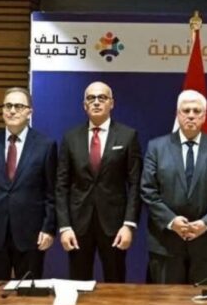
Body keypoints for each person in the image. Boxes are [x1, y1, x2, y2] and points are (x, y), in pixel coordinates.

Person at [141, 90, 207, 284]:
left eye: (196, 111)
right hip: (166, 243)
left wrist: (205, 223)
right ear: (178, 114)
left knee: (203, 302)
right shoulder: (156, 147)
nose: (191, 115)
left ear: (204, 116)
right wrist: (171, 221)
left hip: (205, 244)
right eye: (186, 110)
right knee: (167, 302)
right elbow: (148, 191)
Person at [55, 81, 142, 282]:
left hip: (115, 225)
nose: (96, 102)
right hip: (78, 225)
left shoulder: (128, 136)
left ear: (112, 103)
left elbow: (135, 184)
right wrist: (65, 227)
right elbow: (61, 185)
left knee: (115, 284)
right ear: (84, 105)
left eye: (102, 98)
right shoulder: (71, 137)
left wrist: (128, 225)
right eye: (91, 98)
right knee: (77, 284)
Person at [0, 87, 57, 280]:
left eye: (19, 106)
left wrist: (48, 228)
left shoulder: (45, 145)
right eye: (8, 106)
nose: (12, 111)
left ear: (29, 112)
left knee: (28, 292)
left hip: (31, 235)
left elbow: (51, 193)